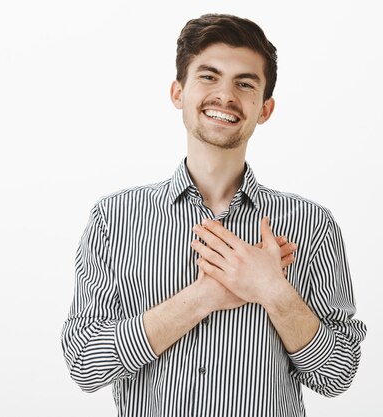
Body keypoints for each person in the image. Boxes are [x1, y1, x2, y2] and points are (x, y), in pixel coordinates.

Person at [61, 13, 367, 417]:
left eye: (244, 83)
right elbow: (85, 363)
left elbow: (337, 375)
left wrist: (273, 291)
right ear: (177, 92)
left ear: (265, 108)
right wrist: (200, 298)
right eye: (208, 76)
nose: (225, 95)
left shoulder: (311, 225)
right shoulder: (115, 219)